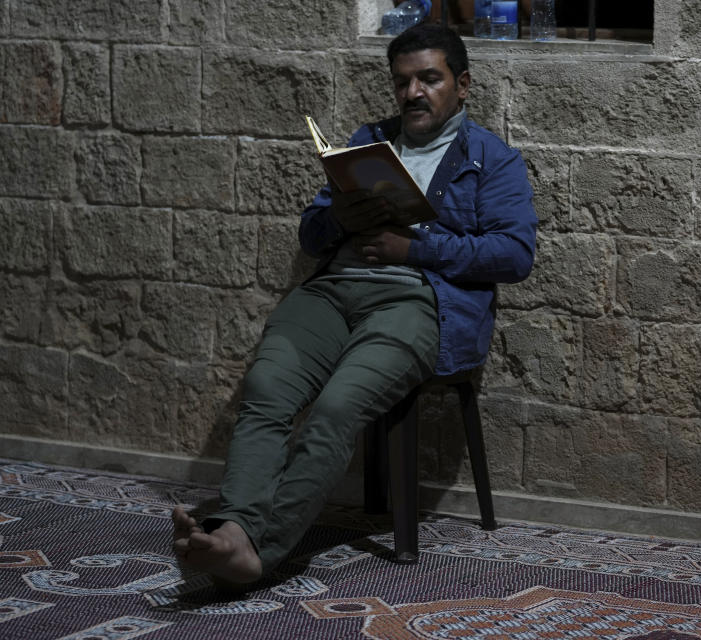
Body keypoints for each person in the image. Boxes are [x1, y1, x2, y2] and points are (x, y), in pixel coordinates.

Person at [171, 24, 537, 587]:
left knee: (337, 408)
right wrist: (340, 216)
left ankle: (255, 551)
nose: (413, 93)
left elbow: (513, 254)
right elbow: (312, 235)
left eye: (429, 79)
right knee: (267, 390)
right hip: (334, 290)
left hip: (415, 301)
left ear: (462, 85)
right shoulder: (368, 141)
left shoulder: (492, 159)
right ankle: (233, 528)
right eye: (402, 82)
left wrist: (416, 248)